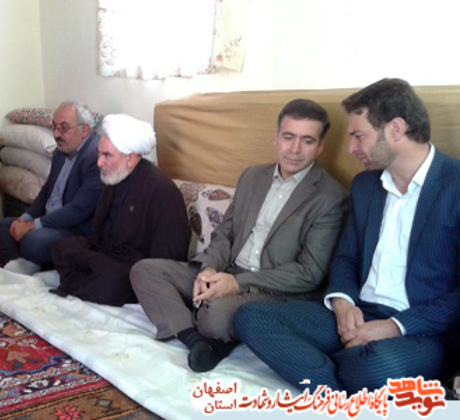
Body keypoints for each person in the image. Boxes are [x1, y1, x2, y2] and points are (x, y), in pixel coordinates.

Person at [233, 78, 460, 393]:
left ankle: (335, 375)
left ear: (395, 129)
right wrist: (342, 302)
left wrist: (395, 326)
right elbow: (345, 258)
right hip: (356, 315)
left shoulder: (454, 185)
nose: (352, 148)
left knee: (372, 367)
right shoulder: (365, 186)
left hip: (419, 331)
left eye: (358, 136)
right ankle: (347, 385)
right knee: (250, 317)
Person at [130, 99, 347, 372]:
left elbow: (309, 273)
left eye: (307, 141)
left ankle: (199, 326)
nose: (294, 149)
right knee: (145, 271)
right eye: (288, 137)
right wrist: (209, 270)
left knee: (214, 316)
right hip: (227, 271)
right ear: (276, 138)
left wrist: (237, 283)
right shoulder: (252, 176)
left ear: (320, 146)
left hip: (270, 289)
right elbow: (225, 233)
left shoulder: (329, 197)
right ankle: (196, 340)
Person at [50, 114, 191, 306]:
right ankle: (84, 282)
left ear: (130, 158)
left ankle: (78, 283)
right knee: (61, 248)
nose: (99, 162)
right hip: (106, 254)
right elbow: (99, 236)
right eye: (99, 154)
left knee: (110, 279)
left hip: (135, 267)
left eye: (107, 155)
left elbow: (168, 260)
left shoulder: (162, 191)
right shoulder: (115, 178)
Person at [0, 101, 104, 272]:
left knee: (32, 241)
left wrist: (34, 225)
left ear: (84, 130)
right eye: (55, 127)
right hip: (51, 221)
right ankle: (28, 268)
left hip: (75, 228)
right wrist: (26, 217)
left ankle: (35, 266)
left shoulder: (95, 157)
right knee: (2, 228)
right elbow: (47, 191)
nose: (57, 134)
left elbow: (78, 210)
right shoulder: (60, 151)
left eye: (64, 128)